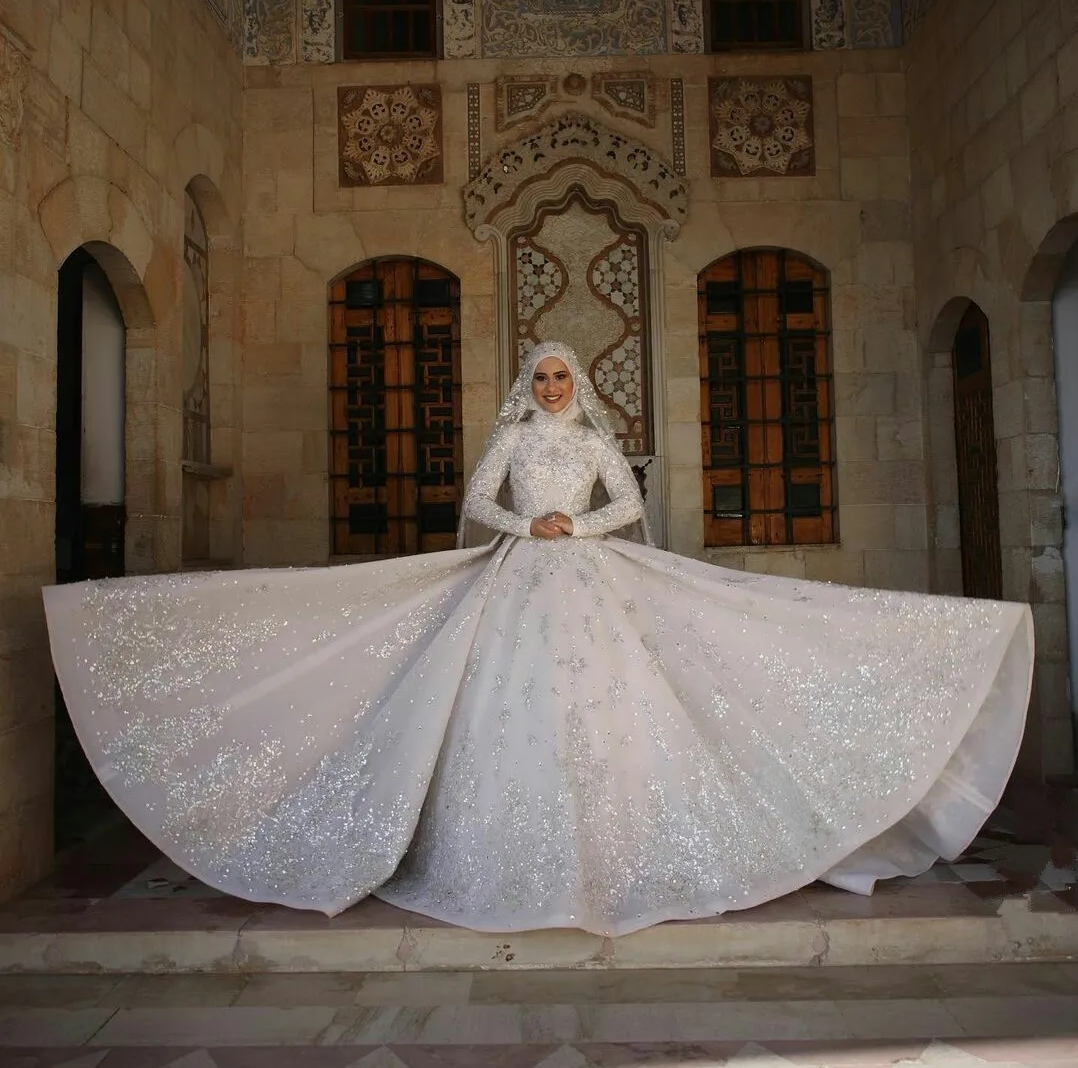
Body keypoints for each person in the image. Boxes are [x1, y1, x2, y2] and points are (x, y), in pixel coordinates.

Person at [43, 341, 1033, 936]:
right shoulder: (512, 442)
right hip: (518, 579)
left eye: (564, 374)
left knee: (624, 704)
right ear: (530, 381)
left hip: (592, 577)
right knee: (499, 709)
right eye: (544, 374)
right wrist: (530, 526)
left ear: (579, 381)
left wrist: (580, 526)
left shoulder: (597, 444)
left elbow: (632, 502)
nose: (554, 385)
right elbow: (475, 500)